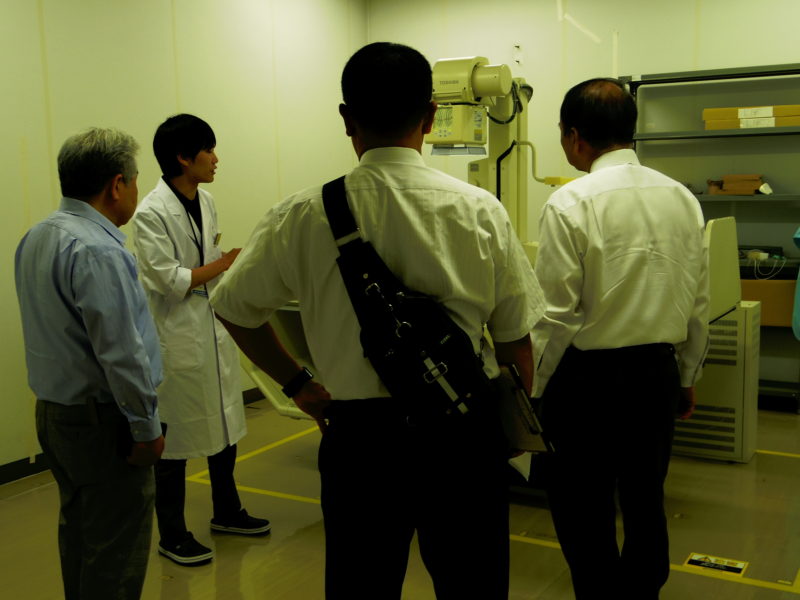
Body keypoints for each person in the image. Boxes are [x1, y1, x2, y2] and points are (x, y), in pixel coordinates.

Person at [209, 42, 545, 599]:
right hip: (461, 433)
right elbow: (515, 342)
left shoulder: (302, 214)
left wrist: (298, 385)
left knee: (360, 586)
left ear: (347, 120)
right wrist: (511, 429)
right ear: (431, 115)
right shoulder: (480, 210)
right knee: (474, 587)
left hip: (359, 445)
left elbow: (233, 308)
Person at [532, 78, 710, 599]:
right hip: (655, 375)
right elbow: (697, 301)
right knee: (645, 498)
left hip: (586, 384)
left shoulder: (570, 202)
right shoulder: (682, 198)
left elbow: (555, 316)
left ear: (573, 136)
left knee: (583, 508)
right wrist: (687, 375)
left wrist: (531, 392)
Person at [14, 128, 165, 600]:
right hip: (104, 423)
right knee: (115, 552)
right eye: (136, 181)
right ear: (117, 185)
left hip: (56, 415)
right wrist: (146, 428)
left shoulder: (38, 236)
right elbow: (121, 353)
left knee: (81, 534)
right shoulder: (98, 249)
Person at [131, 114, 269, 567]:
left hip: (210, 329)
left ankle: (227, 511)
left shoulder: (205, 200)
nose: (215, 159)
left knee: (224, 425)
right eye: (208, 150)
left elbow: (203, 264)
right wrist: (226, 262)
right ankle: (173, 534)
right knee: (174, 439)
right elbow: (170, 280)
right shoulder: (151, 212)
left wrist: (223, 264)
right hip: (176, 336)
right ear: (183, 158)